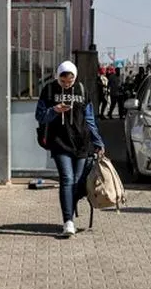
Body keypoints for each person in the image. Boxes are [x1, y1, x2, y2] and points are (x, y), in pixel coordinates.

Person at [35, 61, 106, 237]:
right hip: (59, 142)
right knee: (67, 178)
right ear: (58, 76)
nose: (67, 84)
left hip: (81, 142)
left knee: (76, 181)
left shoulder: (82, 90)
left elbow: (89, 119)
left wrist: (99, 142)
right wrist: (54, 110)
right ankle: (68, 221)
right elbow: (39, 116)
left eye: (70, 81)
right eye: (63, 80)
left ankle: (70, 204)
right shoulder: (49, 90)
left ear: (75, 77)